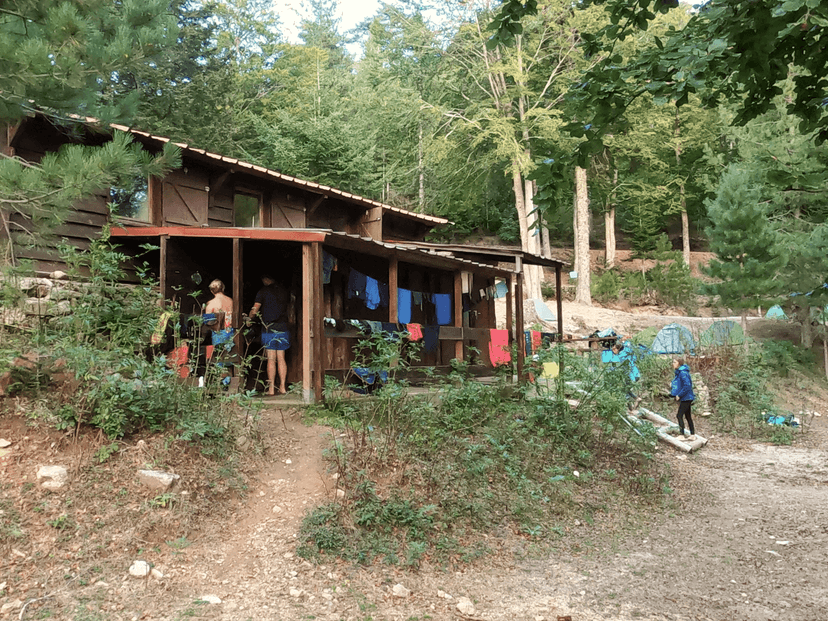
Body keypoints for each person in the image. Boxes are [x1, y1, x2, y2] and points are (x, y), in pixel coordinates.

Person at [248, 274, 291, 395]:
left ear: (265, 279)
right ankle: (282, 387)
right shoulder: (284, 291)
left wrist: (250, 318)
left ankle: (271, 389)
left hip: (269, 328)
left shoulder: (263, 291)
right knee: (281, 358)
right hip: (282, 327)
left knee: (271, 359)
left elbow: (255, 309)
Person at [204, 279, 235, 360]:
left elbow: (207, 322)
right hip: (231, 331)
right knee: (230, 358)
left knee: (218, 359)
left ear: (211, 291)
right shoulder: (231, 301)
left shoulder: (211, 304)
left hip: (218, 333)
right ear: (223, 288)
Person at [671, 357, 696, 440]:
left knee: (679, 415)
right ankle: (692, 435)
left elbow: (687, 385)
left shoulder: (682, 373)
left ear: (679, 363)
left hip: (686, 397)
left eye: (674, 362)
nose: (673, 364)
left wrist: (679, 395)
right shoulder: (680, 372)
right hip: (687, 397)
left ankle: (681, 435)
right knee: (688, 416)